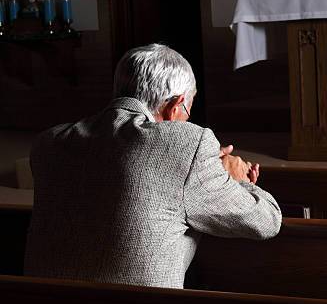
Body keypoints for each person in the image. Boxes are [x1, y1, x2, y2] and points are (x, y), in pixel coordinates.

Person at [24, 44, 282, 289]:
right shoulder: (190, 143)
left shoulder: (49, 142)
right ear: (174, 106)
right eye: (187, 112)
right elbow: (267, 222)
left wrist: (200, 167)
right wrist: (238, 179)